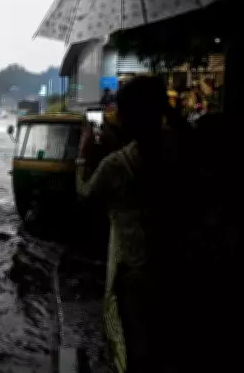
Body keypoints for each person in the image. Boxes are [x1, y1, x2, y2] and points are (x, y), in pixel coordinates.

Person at [75, 75, 189, 373]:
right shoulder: (182, 146)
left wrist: (82, 156)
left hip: (134, 271)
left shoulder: (115, 165)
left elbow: (85, 195)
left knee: (136, 348)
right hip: (181, 264)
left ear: (125, 117)